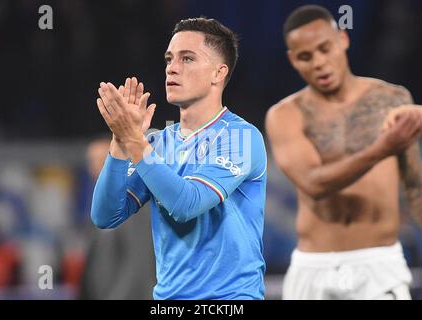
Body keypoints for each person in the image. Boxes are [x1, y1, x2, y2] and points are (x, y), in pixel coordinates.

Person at [91, 17, 267, 300]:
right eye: (169, 59)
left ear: (218, 73)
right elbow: (105, 215)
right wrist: (120, 143)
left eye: (187, 59)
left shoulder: (241, 137)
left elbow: (188, 204)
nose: (172, 68)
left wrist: (135, 141)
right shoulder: (157, 143)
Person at [265, 5, 422, 300]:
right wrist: (383, 147)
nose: (319, 63)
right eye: (305, 56)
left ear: (343, 40)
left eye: (325, 49)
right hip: (314, 266)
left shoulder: (393, 99)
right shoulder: (285, 115)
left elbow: (415, 187)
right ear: (292, 60)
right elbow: (314, 183)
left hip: (379, 263)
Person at [78, 137, 155, 299]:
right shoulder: (100, 207)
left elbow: (138, 263)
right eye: (91, 161)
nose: (94, 168)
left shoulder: (132, 204)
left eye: (101, 161)